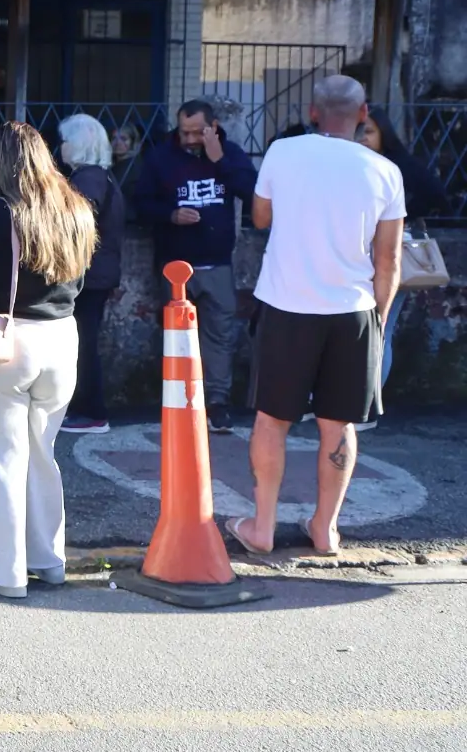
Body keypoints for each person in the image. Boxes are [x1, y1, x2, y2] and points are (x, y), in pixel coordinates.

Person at [227, 77, 403, 557]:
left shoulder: (283, 152)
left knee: (271, 420)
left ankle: (262, 527)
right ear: (363, 113)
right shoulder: (384, 170)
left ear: (313, 111)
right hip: (353, 310)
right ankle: (326, 530)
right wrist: (379, 321)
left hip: (287, 305)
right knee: (338, 423)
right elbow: (388, 259)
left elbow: (260, 218)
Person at [0, 122, 95, 598]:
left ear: (0, 164)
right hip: (61, 339)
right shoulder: (77, 209)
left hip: (3, 342)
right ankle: (48, 559)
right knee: (42, 454)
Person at [131, 99, 257, 434]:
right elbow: (140, 204)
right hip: (175, 265)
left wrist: (220, 161)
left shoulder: (230, 155)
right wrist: (170, 215)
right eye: (184, 132)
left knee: (220, 336)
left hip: (217, 264)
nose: (188, 139)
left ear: (213, 128)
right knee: (176, 338)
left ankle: (217, 403)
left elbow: (252, 194)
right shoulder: (161, 157)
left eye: (197, 132)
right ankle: (179, 400)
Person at [353, 108, 447, 424]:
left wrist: (400, 216)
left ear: (384, 135)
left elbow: (438, 195)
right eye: (358, 131)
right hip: (355, 257)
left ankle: (367, 406)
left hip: (391, 258)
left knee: (381, 331)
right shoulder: (354, 164)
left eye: (368, 132)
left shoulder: (397, 165)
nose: (362, 138)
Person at [57, 116, 125, 435]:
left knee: (82, 344)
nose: (60, 147)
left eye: (64, 141)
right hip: (97, 273)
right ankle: (86, 409)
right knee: (82, 342)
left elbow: (77, 223)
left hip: (87, 274)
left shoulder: (88, 178)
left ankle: (92, 411)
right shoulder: (101, 175)